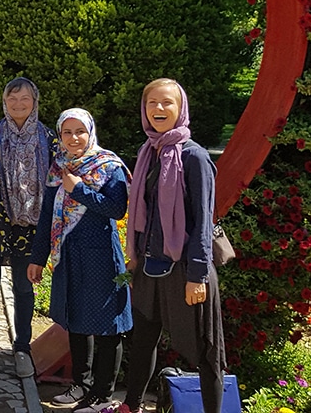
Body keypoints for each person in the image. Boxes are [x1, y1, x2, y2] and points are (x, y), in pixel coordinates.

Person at [117, 79, 225, 413]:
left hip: (186, 269)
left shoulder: (195, 158)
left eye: (167, 103)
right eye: (152, 103)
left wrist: (198, 276)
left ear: (181, 109)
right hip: (151, 265)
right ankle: (131, 406)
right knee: (144, 339)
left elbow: (203, 221)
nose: (158, 109)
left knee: (205, 348)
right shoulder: (148, 152)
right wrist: (133, 260)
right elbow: (144, 217)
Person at [27, 108, 132, 413]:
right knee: (76, 321)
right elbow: (47, 216)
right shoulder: (58, 167)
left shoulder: (108, 165)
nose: (74, 138)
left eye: (80, 132)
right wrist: (38, 257)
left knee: (108, 325)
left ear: (91, 132)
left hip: (100, 256)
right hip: (68, 255)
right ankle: (81, 385)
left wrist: (79, 190)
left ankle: (102, 393)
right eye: (67, 133)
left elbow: (116, 209)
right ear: (59, 136)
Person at [0, 78, 52, 381]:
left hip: (29, 228)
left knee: (24, 288)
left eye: (25, 99)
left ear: (35, 101)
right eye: (12, 99)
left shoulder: (48, 138)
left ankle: (21, 349)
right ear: (4, 102)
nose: (18, 105)